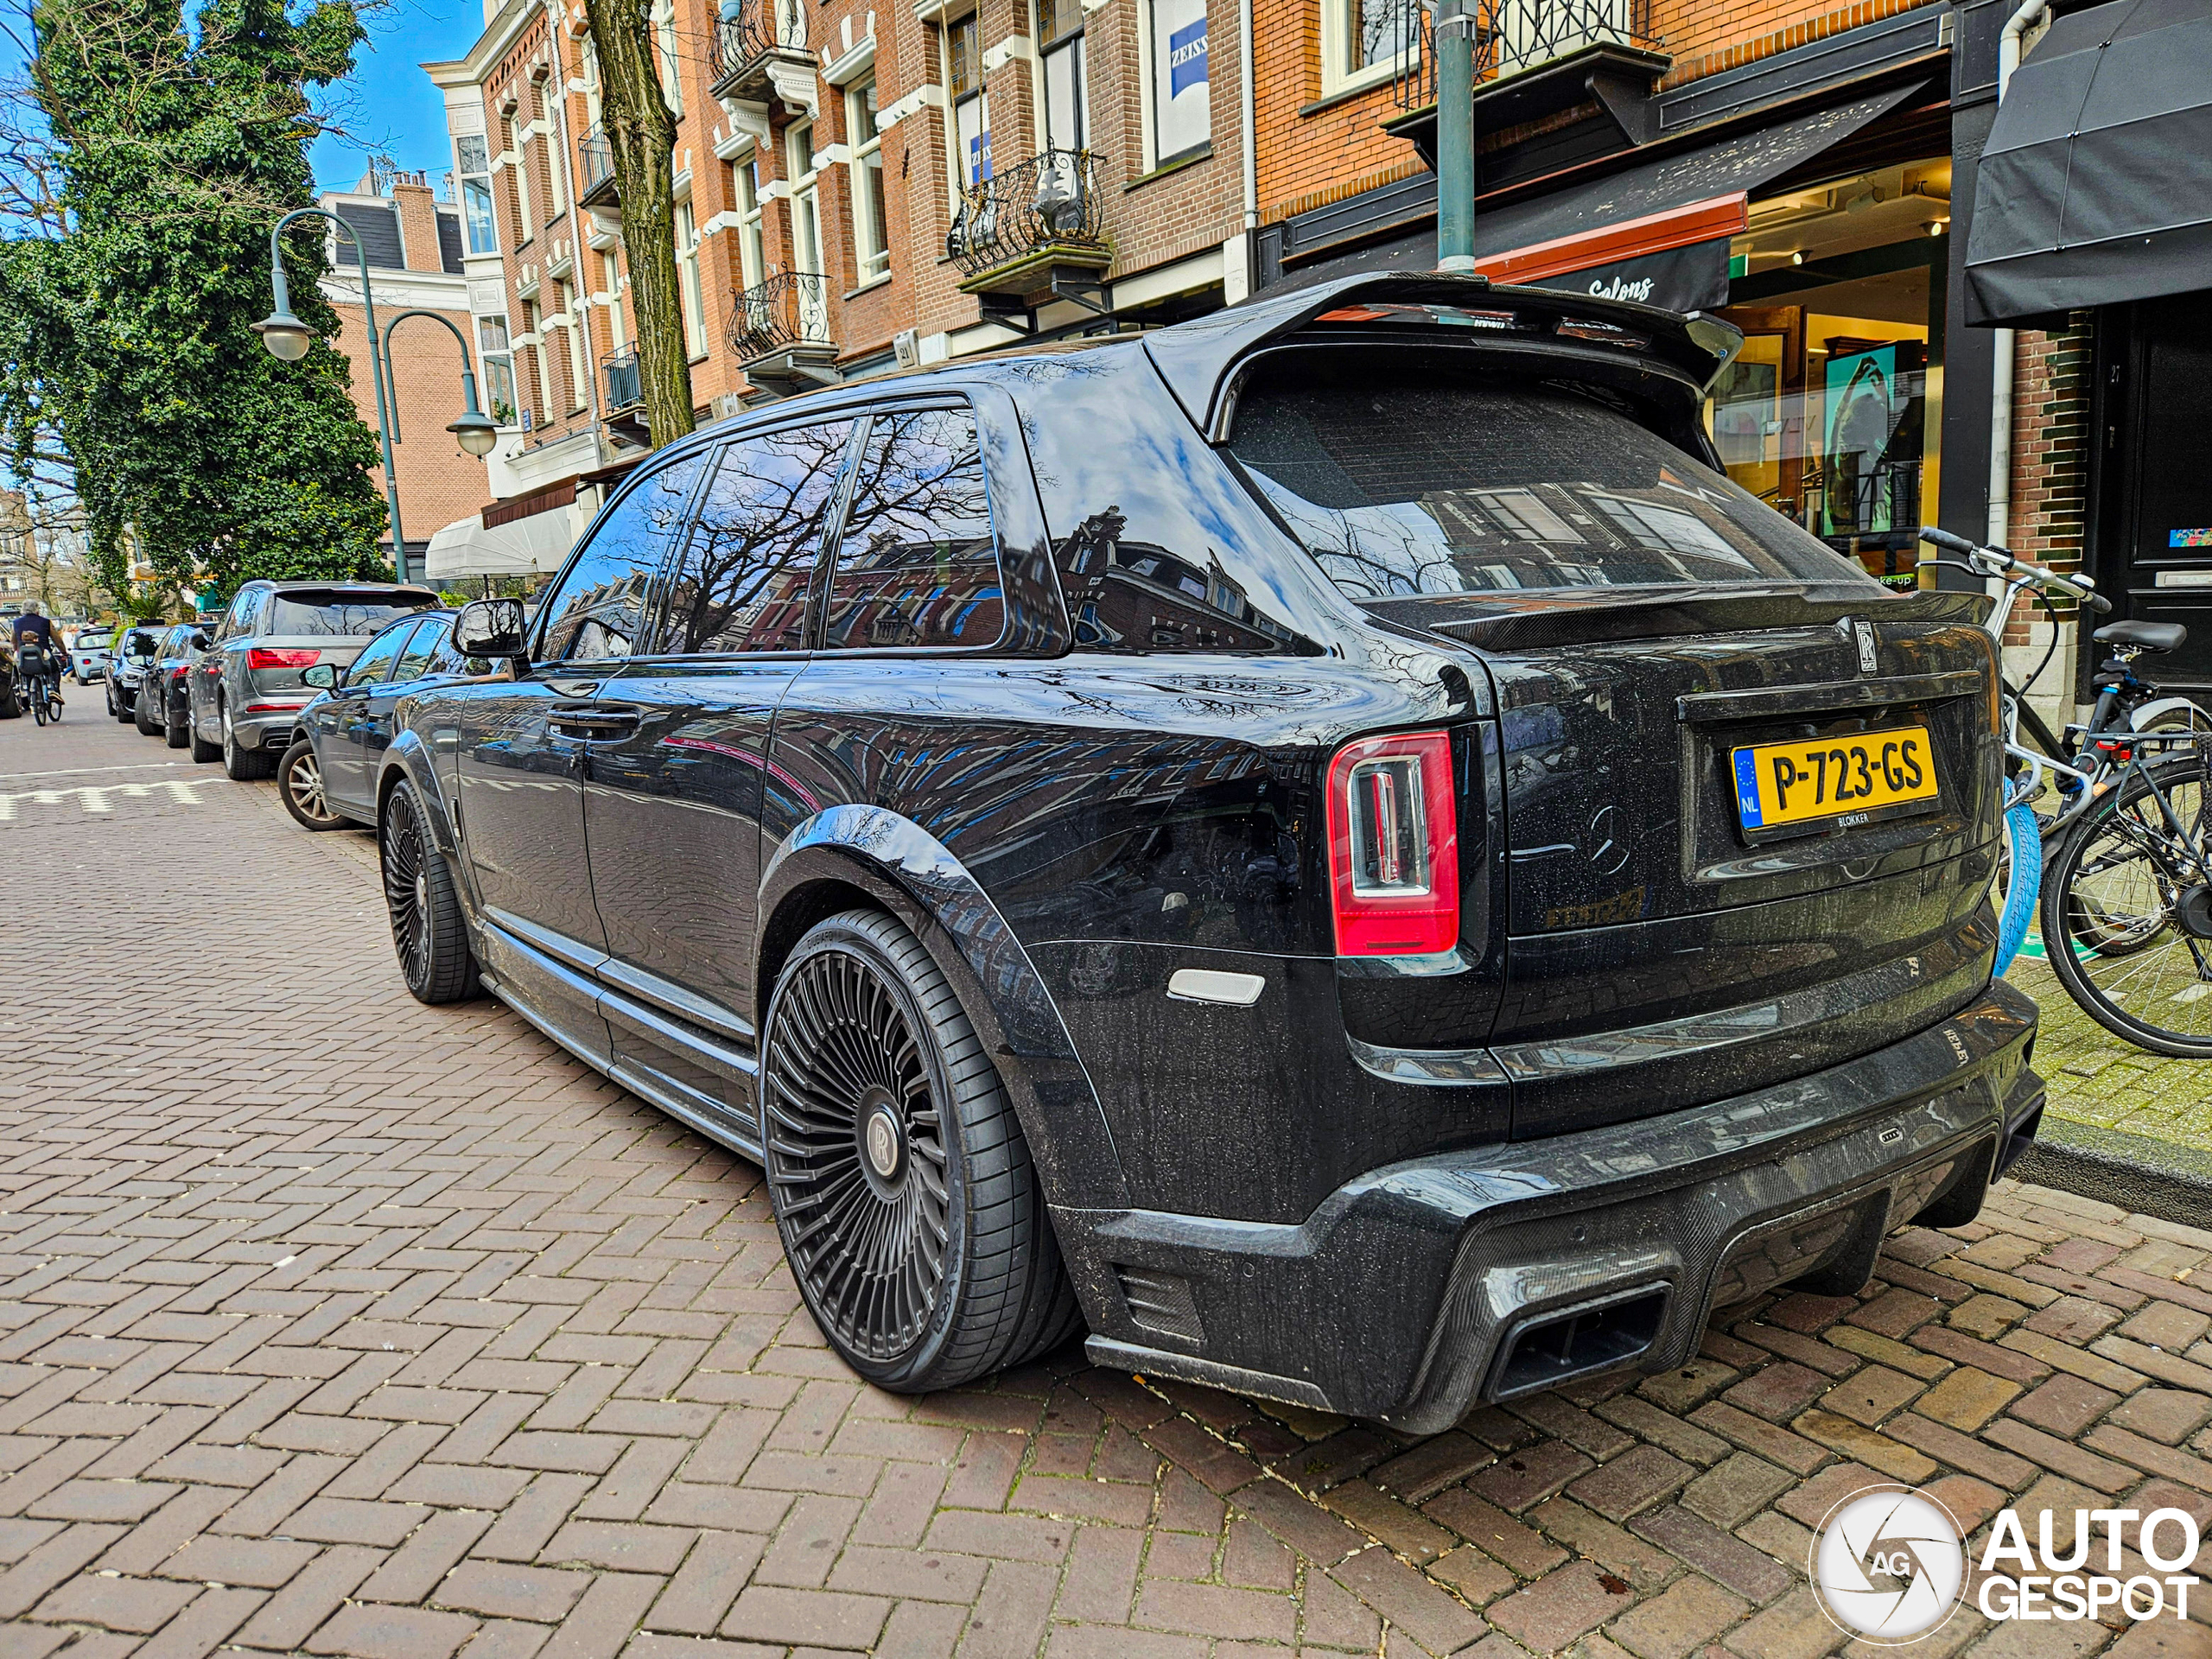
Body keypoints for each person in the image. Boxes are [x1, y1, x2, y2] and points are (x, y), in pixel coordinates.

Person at [10, 603, 63, 706]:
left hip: (23, 656)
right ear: (37, 610)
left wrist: (15, 650)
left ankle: (28, 692)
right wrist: (63, 652)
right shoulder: (46, 622)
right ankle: (53, 689)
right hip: (43, 654)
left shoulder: (15, 623)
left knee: (25, 671)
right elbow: (57, 640)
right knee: (54, 669)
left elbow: (13, 640)